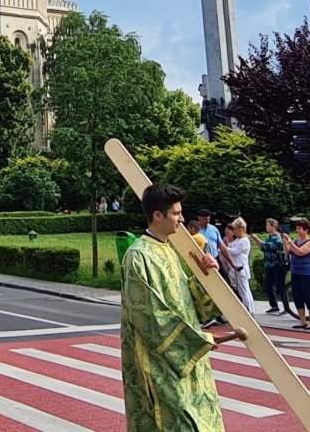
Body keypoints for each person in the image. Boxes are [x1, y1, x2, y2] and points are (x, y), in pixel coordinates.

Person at [122, 183, 234, 431]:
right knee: (177, 421)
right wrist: (196, 340)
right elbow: (148, 315)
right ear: (157, 216)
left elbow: (188, 302)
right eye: (176, 213)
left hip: (189, 359)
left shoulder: (171, 251)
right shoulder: (138, 255)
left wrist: (207, 278)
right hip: (161, 362)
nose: (182, 219)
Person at [282, 218, 310, 329]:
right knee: (297, 296)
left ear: (306, 230)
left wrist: (290, 242)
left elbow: (300, 252)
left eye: (300, 228)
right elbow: (288, 252)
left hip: (306, 273)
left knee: (308, 296)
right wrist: (285, 242)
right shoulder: (295, 240)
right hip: (295, 272)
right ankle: (302, 320)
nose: (297, 230)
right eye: (297, 228)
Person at [219, 218, 255, 313]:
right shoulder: (239, 240)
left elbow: (234, 252)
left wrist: (224, 247)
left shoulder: (244, 241)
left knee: (244, 291)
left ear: (240, 228)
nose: (234, 231)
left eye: (235, 229)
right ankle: (249, 309)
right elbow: (231, 245)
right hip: (238, 268)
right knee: (244, 290)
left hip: (241, 268)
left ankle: (249, 310)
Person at [251, 218, 285, 314]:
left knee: (280, 286)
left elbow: (268, 246)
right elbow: (263, 248)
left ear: (273, 226)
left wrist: (257, 238)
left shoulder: (278, 238)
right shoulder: (269, 237)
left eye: (267, 225)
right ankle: (274, 305)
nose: (266, 227)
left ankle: (286, 306)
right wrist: (257, 241)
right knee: (269, 285)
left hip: (277, 264)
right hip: (269, 265)